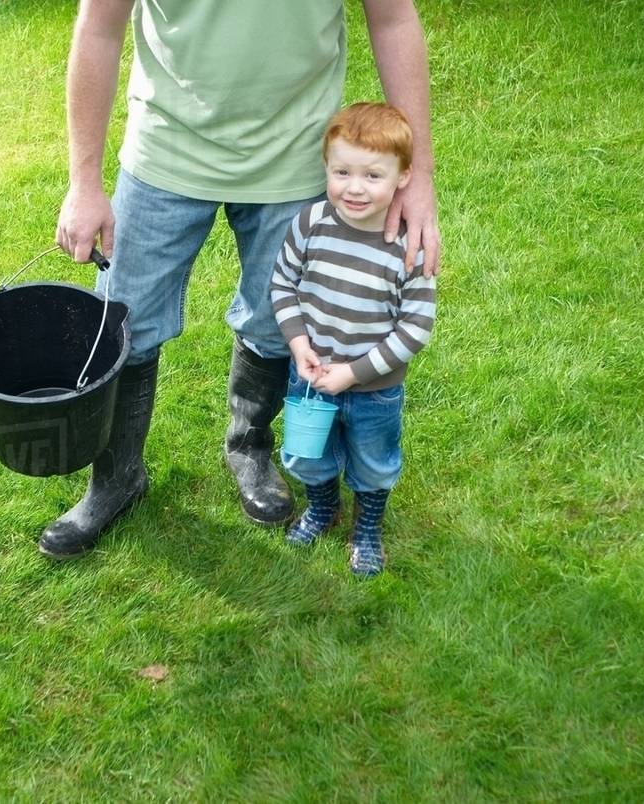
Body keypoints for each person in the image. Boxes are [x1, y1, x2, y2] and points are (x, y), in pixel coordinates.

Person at [42, 0, 440, 560]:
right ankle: (117, 479)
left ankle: (249, 447)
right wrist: (84, 182)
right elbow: (99, 27)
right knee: (122, 323)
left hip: (294, 159)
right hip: (165, 153)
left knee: (278, 321)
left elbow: (394, 20)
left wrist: (417, 177)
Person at [270, 102, 436, 578]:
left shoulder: (409, 244)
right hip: (310, 378)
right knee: (307, 455)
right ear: (326, 167)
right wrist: (299, 344)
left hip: (373, 390)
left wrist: (354, 373)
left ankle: (368, 527)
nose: (355, 188)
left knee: (373, 462)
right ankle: (323, 507)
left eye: (372, 175)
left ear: (404, 177)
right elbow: (283, 285)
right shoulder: (311, 223)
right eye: (342, 171)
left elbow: (415, 328)